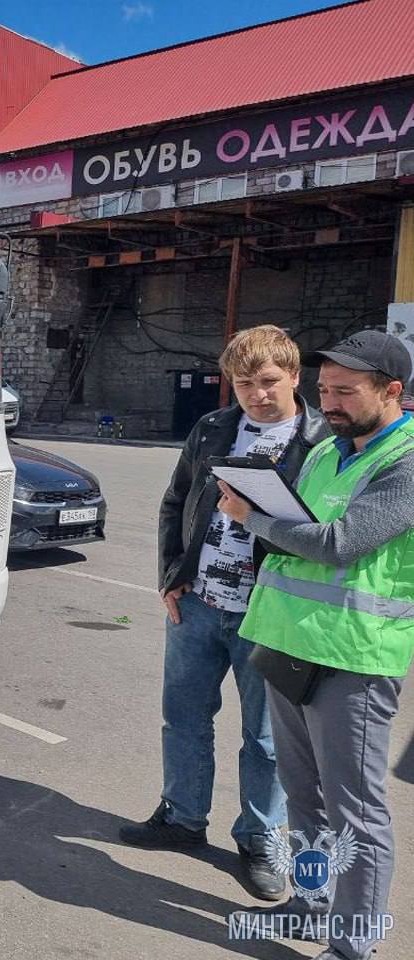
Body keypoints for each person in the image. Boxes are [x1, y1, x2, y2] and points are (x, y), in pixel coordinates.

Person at [222, 329, 414, 960]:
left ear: (392, 392)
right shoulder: (329, 449)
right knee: (304, 798)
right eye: (324, 389)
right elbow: (299, 530)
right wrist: (274, 520)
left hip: (352, 658)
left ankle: (353, 944)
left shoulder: (405, 460)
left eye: (345, 392)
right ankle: (311, 905)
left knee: (355, 813)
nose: (328, 403)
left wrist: (256, 518)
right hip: (287, 641)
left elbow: (337, 544)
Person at [120, 325, 330, 902]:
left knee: (266, 739)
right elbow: (174, 502)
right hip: (198, 606)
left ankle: (260, 840)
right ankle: (183, 817)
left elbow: (324, 535)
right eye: (244, 384)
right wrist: (171, 576)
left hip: (271, 613)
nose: (257, 395)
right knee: (183, 717)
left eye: (268, 382)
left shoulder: (322, 443)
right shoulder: (213, 429)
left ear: (294, 376)